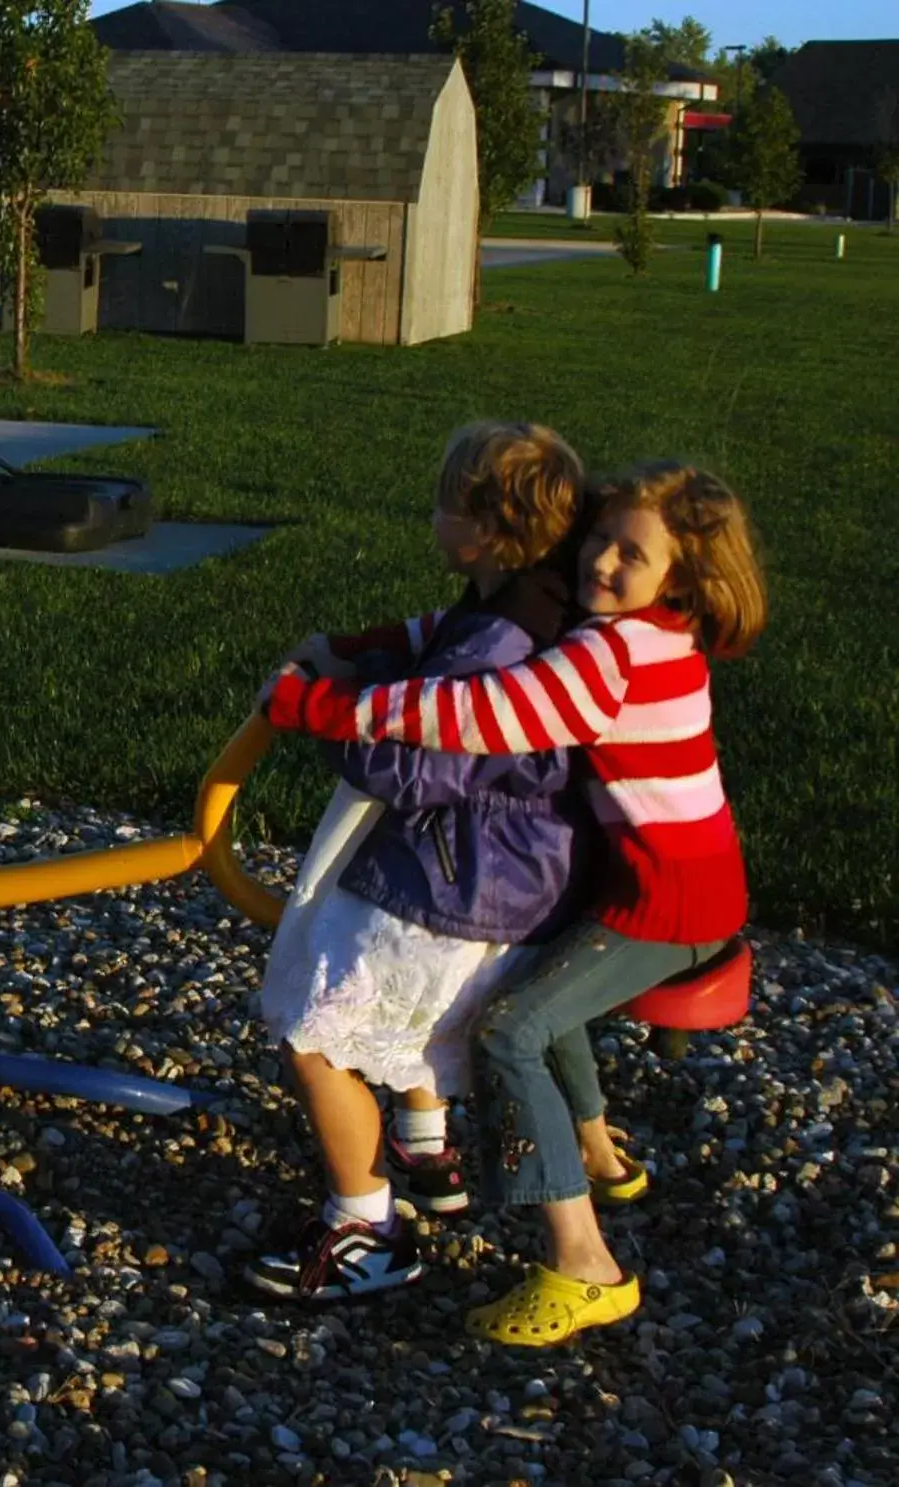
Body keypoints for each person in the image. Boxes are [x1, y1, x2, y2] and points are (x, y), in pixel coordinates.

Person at [261, 462, 767, 1344]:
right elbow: (454, 628)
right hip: (666, 881)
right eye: (599, 539)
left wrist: (318, 704)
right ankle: (602, 1156)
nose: (603, 561)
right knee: (540, 982)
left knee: (511, 1029)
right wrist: (366, 638)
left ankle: (584, 1262)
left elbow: (471, 715)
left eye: (631, 553)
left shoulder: (606, 654)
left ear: (680, 577)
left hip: (667, 906)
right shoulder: (644, 626)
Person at [245, 422, 599, 1302]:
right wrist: (359, 653)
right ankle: (423, 1144)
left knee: (314, 1035)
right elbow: (432, 641)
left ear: (486, 526)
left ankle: (364, 1226)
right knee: (386, 1022)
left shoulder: (498, 647)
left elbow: (420, 760)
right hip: (487, 868)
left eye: (447, 502)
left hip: (454, 880)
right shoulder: (519, 603)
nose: (432, 514)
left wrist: (313, 707)